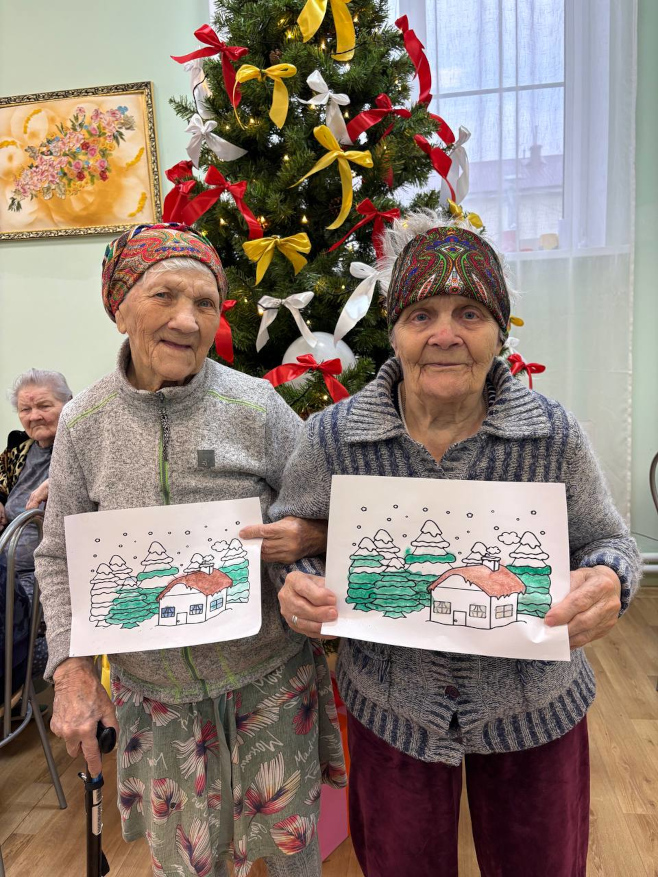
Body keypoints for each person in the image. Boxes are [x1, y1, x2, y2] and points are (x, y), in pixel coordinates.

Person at [270, 211, 641, 877]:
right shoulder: (333, 436)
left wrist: (611, 578)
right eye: (422, 315)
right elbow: (291, 537)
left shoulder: (552, 434)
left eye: (469, 313)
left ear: (499, 330)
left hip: (535, 709)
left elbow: (609, 541)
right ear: (395, 331)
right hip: (393, 709)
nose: (445, 334)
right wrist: (296, 581)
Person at [34, 223, 345, 877]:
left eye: (205, 302)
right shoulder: (84, 424)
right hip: (157, 700)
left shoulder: (256, 406)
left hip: (269, 684)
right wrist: (72, 672)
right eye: (165, 296)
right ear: (119, 308)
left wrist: (308, 544)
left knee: (291, 858)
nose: (187, 319)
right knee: (185, 865)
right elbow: (59, 555)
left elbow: (327, 510)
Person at [0, 369, 72, 695]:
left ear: (68, 404)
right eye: (25, 409)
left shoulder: (80, 447)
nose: (34, 416)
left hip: (43, 574)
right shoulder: (20, 449)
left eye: (44, 405)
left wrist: (57, 483)